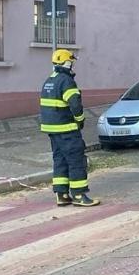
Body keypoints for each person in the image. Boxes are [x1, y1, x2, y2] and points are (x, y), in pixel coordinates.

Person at [39, 49, 99, 207]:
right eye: (71, 62)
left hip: (52, 130)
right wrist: (80, 120)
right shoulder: (66, 81)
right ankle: (79, 195)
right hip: (66, 129)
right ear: (67, 62)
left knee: (60, 160)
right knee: (76, 160)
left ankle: (62, 195)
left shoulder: (49, 81)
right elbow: (75, 104)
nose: (72, 65)